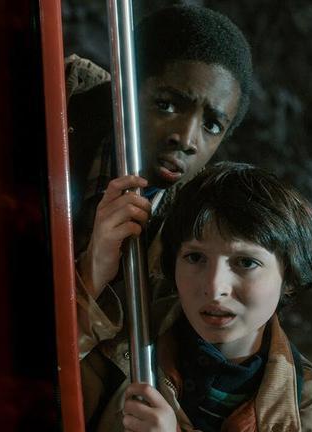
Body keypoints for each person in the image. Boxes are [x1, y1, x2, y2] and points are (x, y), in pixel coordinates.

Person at [81, 162, 312, 432]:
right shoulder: (124, 339)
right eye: (195, 258)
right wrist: (93, 269)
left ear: (289, 276)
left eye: (246, 262)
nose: (215, 286)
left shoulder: (307, 415)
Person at [66, 4, 255, 354]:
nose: (187, 139)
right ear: (124, 87)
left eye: (212, 125)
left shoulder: (193, 237)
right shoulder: (53, 114)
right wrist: (92, 269)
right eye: (167, 105)